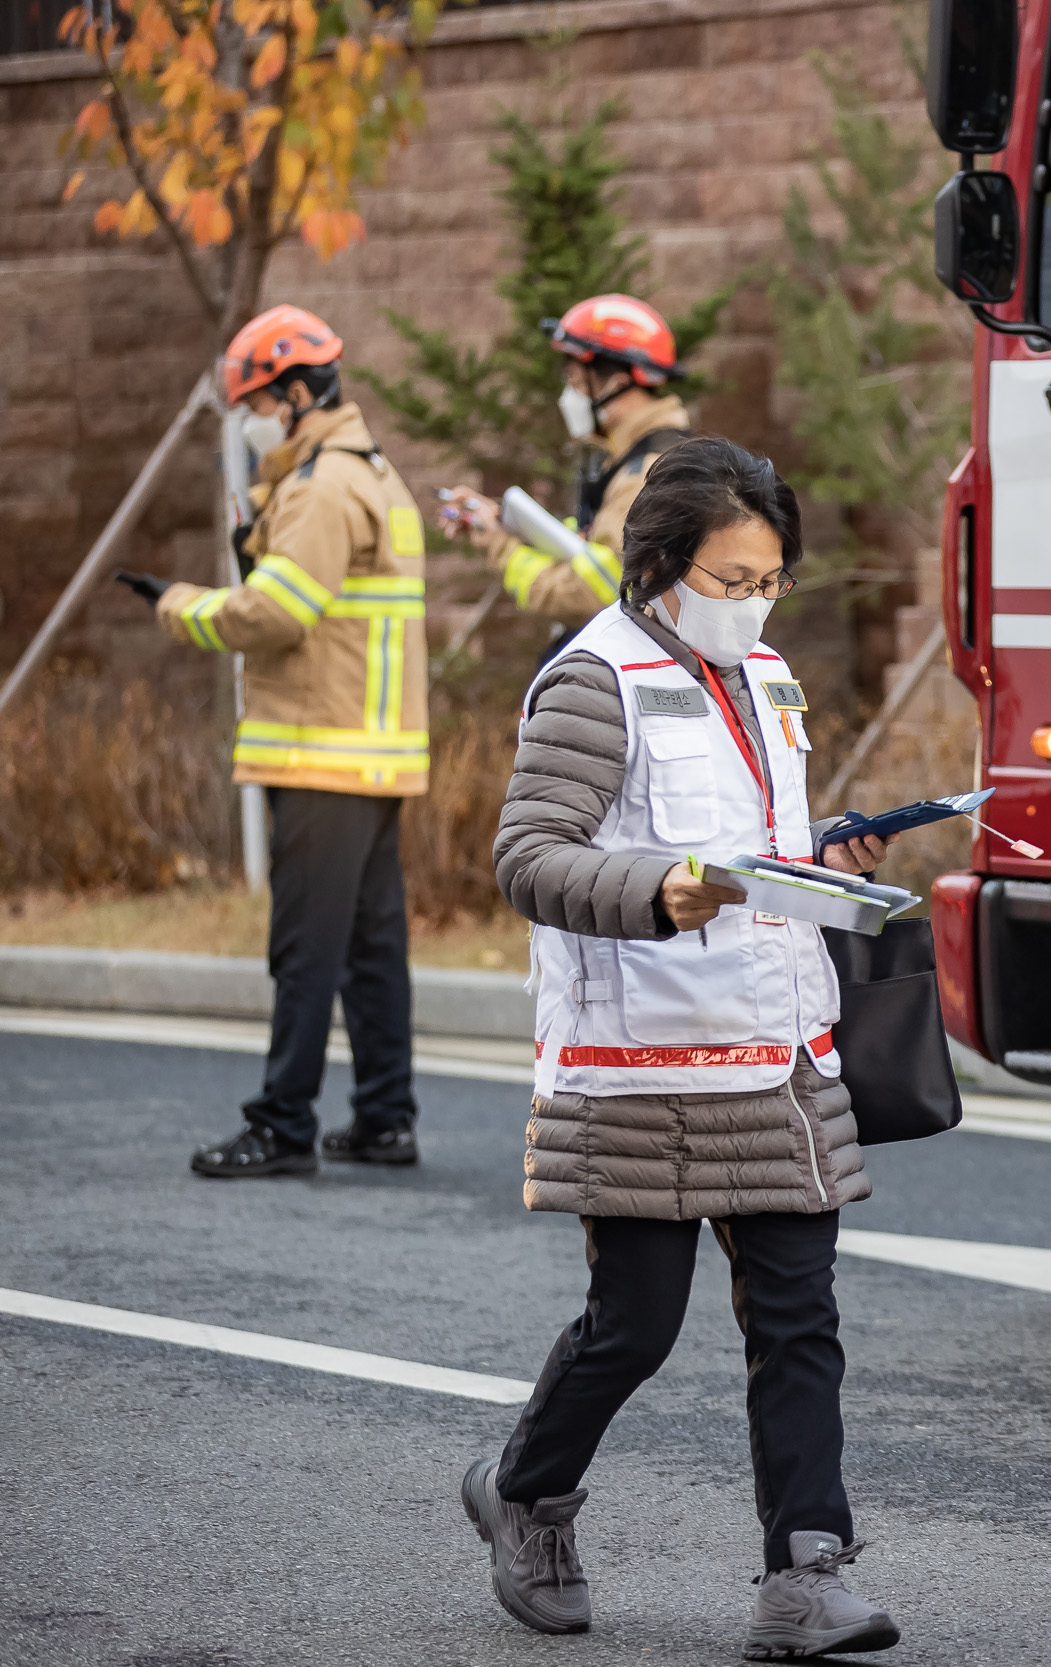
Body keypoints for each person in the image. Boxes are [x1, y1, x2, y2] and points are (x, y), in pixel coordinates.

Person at [465, 435, 901, 1659]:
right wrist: (664, 886)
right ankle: (526, 1491)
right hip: (637, 1058)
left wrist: (828, 861)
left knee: (799, 1319)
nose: (753, 601)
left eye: (771, 579)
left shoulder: (766, 677)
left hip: (772, 1049)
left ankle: (804, 1572)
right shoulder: (590, 679)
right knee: (635, 1324)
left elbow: (759, 848)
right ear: (660, 565)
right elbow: (529, 855)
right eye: (730, 577)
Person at [147, 304, 431, 1177]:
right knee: (370, 948)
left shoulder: (320, 487)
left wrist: (180, 606)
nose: (254, 418)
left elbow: (278, 611)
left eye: (261, 402)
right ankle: (385, 1117)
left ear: (300, 394)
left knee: (306, 951)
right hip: (375, 754)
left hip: (321, 751)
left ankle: (282, 1124)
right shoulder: (373, 473)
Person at [443, 293, 692, 626]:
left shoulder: (644, 474)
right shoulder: (637, 456)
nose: (568, 396)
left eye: (575, 381)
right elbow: (593, 550)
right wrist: (503, 523)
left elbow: (595, 592)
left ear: (616, 385)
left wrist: (501, 548)